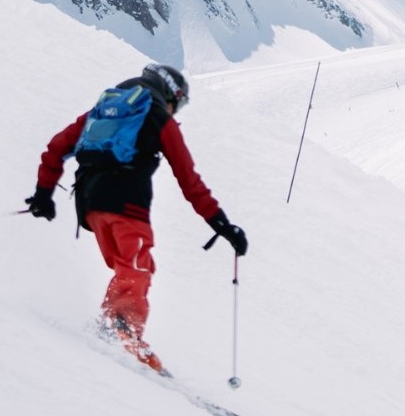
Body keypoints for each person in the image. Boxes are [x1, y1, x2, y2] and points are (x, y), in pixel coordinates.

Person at [24, 63, 247, 369]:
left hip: (90, 207)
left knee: (126, 268)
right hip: (126, 205)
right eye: (177, 104)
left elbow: (57, 147)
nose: (174, 111)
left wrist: (43, 194)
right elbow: (188, 179)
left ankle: (108, 328)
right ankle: (122, 332)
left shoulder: (103, 111)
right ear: (171, 93)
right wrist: (221, 224)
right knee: (138, 267)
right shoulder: (158, 117)